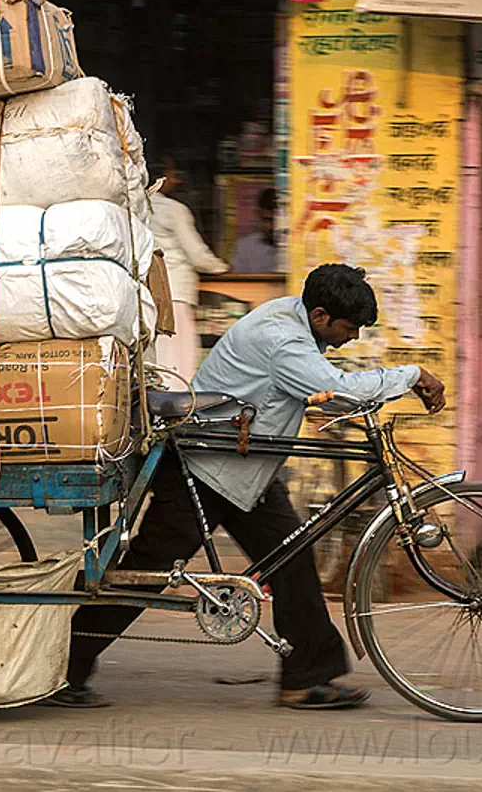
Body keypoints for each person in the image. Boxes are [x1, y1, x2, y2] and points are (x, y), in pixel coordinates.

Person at [47, 264, 447, 710]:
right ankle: (62, 668)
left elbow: (310, 387)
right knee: (146, 574)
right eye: (349, 328)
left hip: (244, 470)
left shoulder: (292, 320)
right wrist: (411, 377)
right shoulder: (285, 341)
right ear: (319, 315)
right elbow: (335, 391)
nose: (352, 337)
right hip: (203, 472)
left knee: (292, 559)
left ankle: (306, 678)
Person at [150, 156, 229, 390]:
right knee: (178, 358)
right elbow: (196, 254)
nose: (176, 180)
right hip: (174, 291)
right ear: (162, 178)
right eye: (172, 174)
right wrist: (220, 267)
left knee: (157, 357)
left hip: (145, 293)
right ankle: (178, 408)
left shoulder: (133, 209)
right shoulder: (174, 210)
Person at [232, 188, 279, 274]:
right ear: (259, 214)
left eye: (276, 221)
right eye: (267, 220)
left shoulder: (298, 246)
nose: (272, 227)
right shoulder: (245, 247)